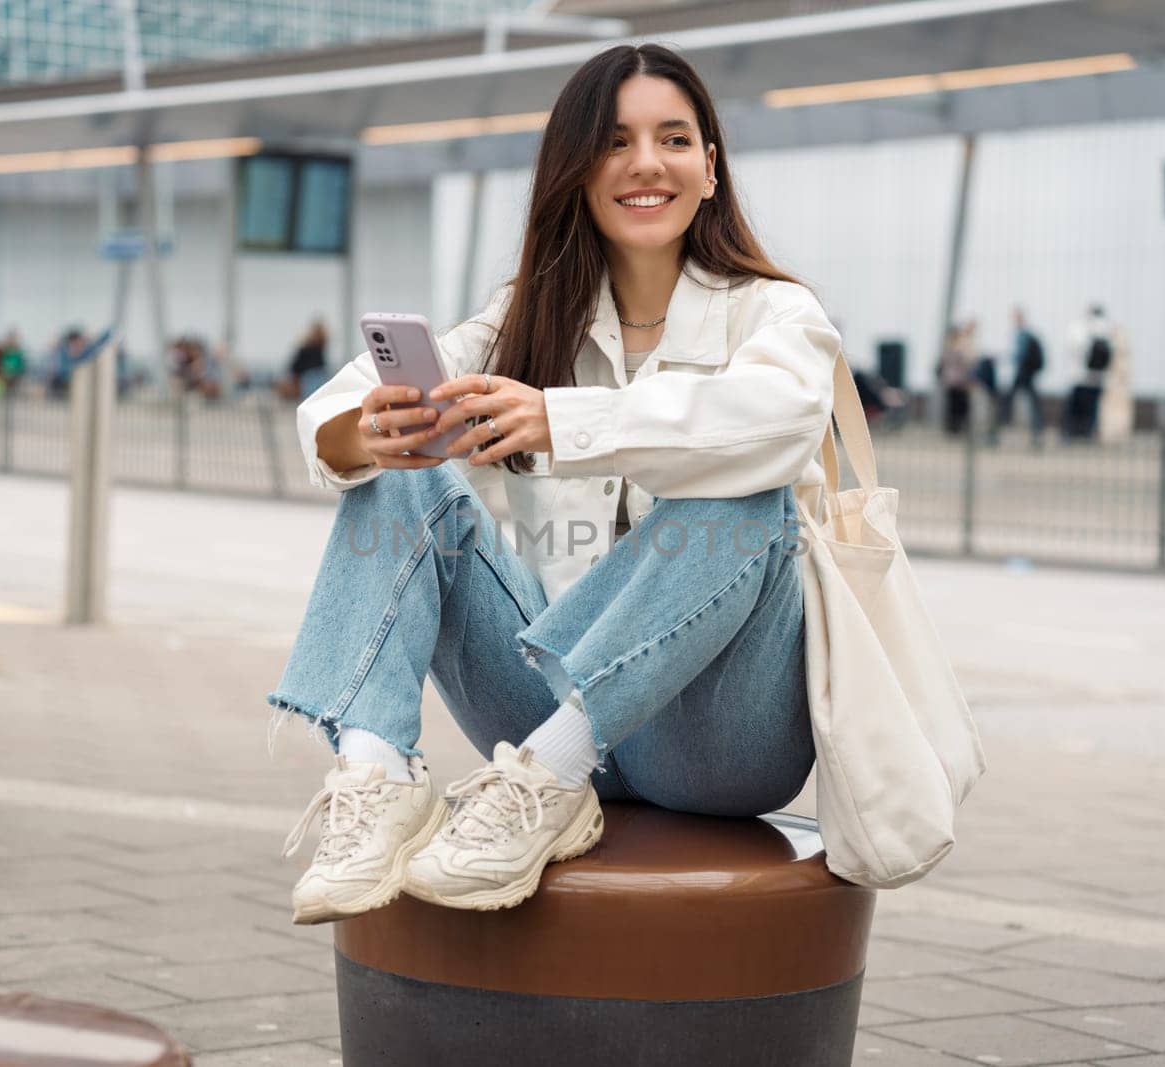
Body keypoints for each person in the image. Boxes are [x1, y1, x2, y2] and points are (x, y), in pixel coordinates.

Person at [269, 43, 838, 924]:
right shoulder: (528, 316)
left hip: (719, 744)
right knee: (401, 472)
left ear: (711, 168)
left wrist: (561, 422)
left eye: (674, 139)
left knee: (745, 492)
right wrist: (374, 430)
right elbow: (335, 412)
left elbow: (781, 420)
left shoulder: (774, 312)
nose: (646, 164)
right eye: (614, 143)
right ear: (574, 172)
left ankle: (552, 772)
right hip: (542, 710)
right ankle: (378, 772)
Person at [1063, 305, 1113, 442]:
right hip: (1097, 377)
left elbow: (1073, 349)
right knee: (1091, 409)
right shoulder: (1105, 329)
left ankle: (1071, 434)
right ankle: (1088, 434)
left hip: (1080, 376)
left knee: (1075, 409)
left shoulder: (1080, 328)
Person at [1000, 307, 1046, 446]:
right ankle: (1037, 433)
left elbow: (1020, 356)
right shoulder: (1026, 334)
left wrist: (1008, 360)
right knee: (1032, 403)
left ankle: (997, 431)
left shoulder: (1022, 335)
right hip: (1027, 373)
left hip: (1022, 373)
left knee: (1009, 402)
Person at [937, 321, 975, 436]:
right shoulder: (960, 348)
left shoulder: (947, 348)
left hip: (950, 380)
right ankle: (958, 429)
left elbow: (942, 364)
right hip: (960, 381)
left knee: (953, 406)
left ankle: (952, 429)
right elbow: (967, 363)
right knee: (960, 406)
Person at [282, 319, 330, 401]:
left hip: (310, 376)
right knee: (315, 398)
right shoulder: (316, 347)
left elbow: (296, 366)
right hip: (310, 376)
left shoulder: (314, 347)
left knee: (312, 398)